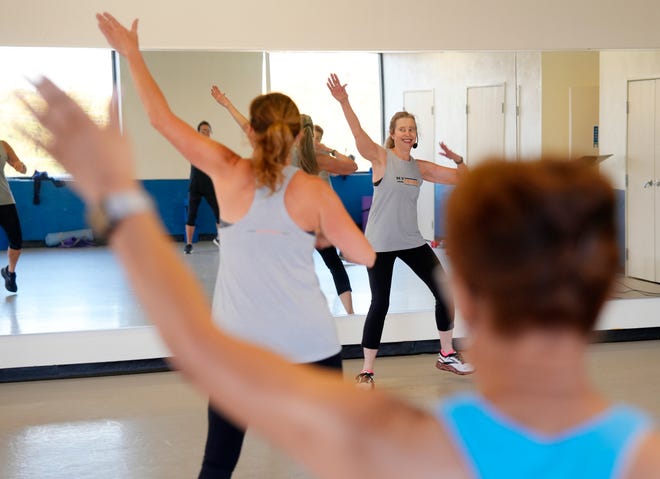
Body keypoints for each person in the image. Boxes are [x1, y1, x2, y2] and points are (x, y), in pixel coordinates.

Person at [27, 76, 660, 478]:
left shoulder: (420, 445)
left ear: (464, 291)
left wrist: (117, 197)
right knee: (371, 303)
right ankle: (371, 351)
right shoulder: (644, 455)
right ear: (602, 287)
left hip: (330, 289)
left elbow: (195, 346)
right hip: (352, 264)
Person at [95, 13, 375, 479]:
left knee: (219, 462)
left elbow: (161, 120)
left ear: (250, 132)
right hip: (309, 343)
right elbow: (364, 255)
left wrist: (132, 54)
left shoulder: (226, 169)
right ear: (299, 136)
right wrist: (318, 234)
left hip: (238, 349)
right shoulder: (315, 190)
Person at [327, 73, 472, 387]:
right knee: (380, 303)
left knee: (444, 293)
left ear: (415, 136)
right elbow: (358, 134)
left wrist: (459, 160)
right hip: (379, 244)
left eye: (412, 129)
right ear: (392, 135)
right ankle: (367, 369)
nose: (408, 133)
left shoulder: (420, 168)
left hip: (411, 242)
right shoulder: (382, 159)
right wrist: (344, 102)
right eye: (402, 129)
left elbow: (463, 178)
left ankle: (446, 354)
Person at [211, 86, 357, 314]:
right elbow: (352, 166)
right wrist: (329, 150)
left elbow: (248, 129)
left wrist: (227, 104)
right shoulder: (319, 159)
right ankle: (349, 313)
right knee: (334, 265)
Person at [184, 120, 220, 254]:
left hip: (209, 185)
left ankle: (219, 238)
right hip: (195, 185)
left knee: (219, 213)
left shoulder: (213, 147)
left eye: (207, 130)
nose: (205, 132)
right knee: (191, 216)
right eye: (203, 130)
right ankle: (188, 244)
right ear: (198, 132)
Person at [0, 140, 27, 293]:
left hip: (5, 201)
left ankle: (10, 273)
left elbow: (22, 168)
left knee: (16, 240)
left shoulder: (3, 145)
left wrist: (20, 166)